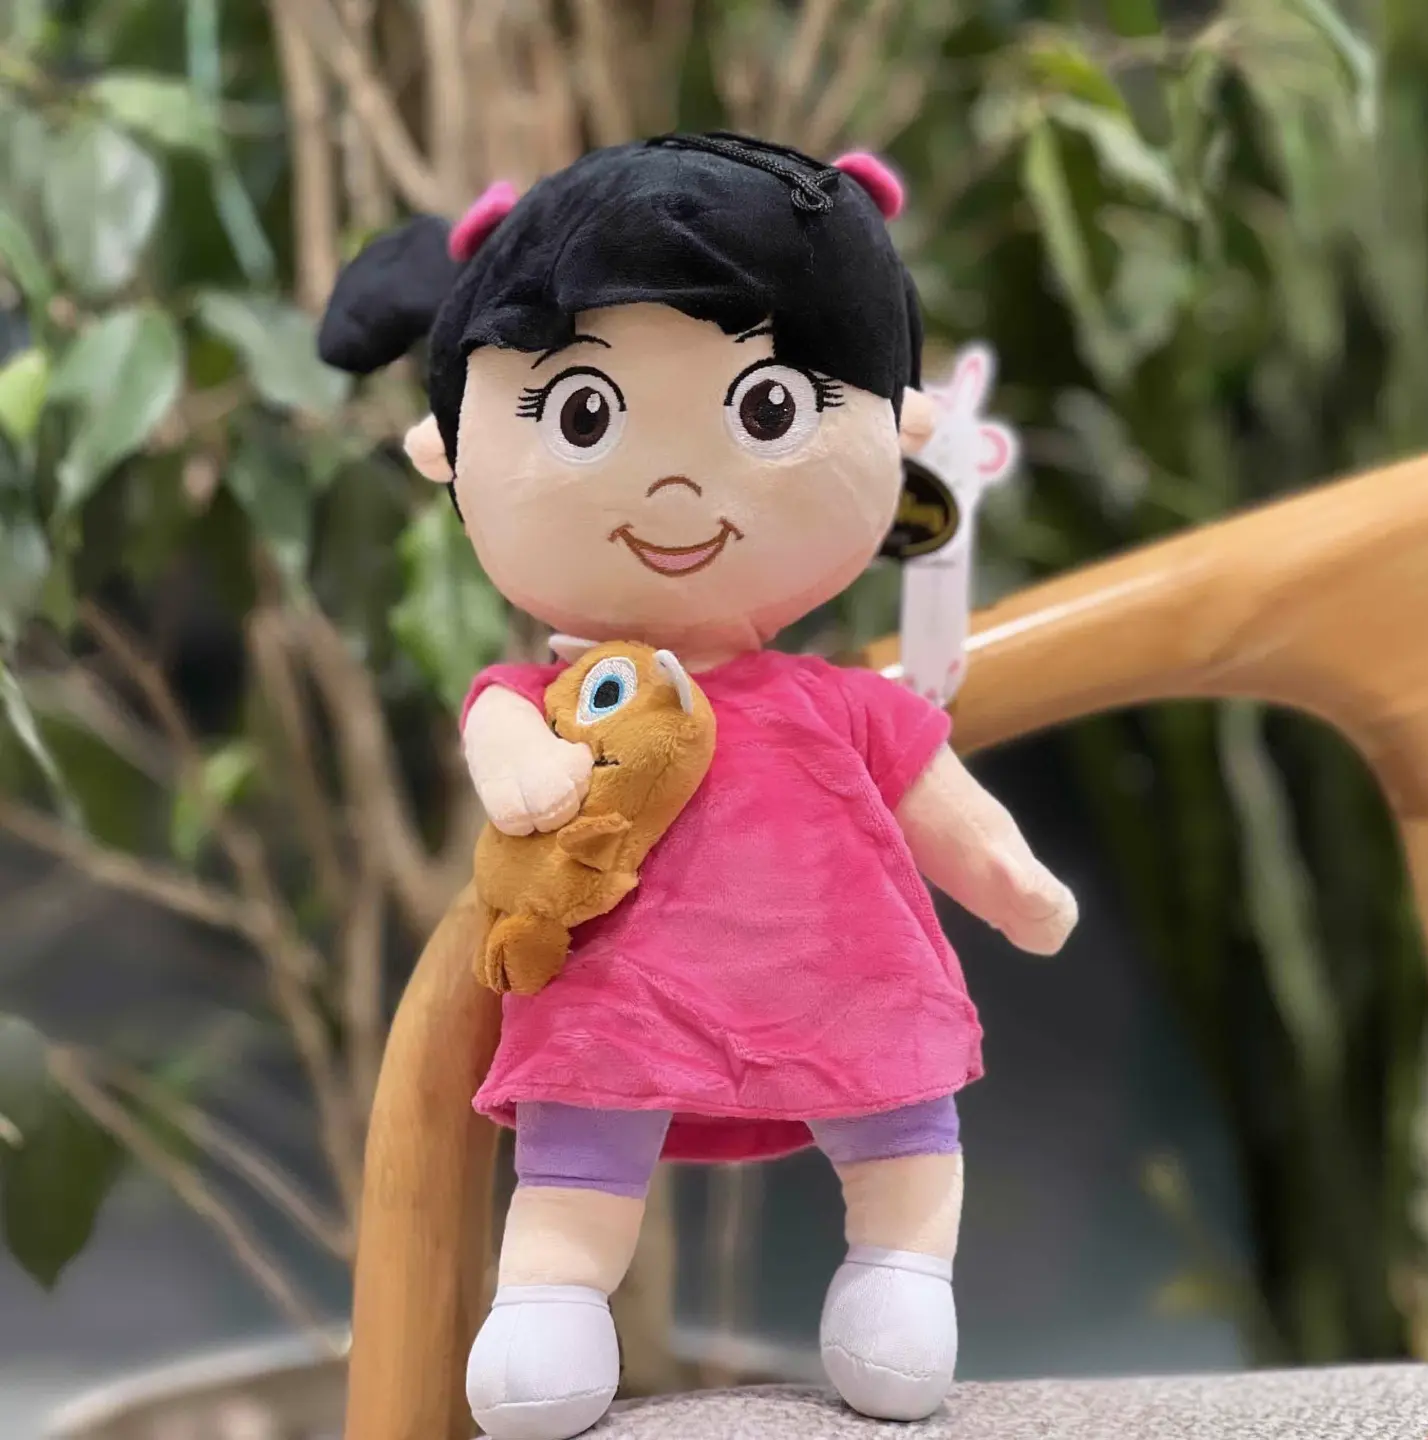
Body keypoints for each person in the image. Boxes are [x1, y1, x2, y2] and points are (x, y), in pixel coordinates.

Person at [321, 132, 1077, 1440]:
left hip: (847, 985)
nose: (674, 484)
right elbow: (507, 744)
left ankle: (897, 1282)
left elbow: (942, 798)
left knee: (902, 1127)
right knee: (580, 1141)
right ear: (448, 451)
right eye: (583, 414)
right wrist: (531, 765)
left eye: (769, 409)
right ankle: (552, 1300)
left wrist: (1015, 885)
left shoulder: (841, 702)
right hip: (622, 1003)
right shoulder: (553, 696)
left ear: (900, 435)